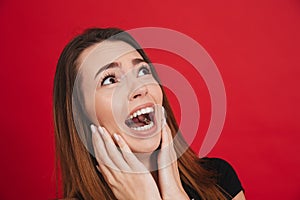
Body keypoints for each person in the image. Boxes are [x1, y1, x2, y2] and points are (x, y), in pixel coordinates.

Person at [53, 27, 245, 200]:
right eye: (110, 80)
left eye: (142, 71)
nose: (139, 88)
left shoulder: (218, 180)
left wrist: (175, 195)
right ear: (80, 116)